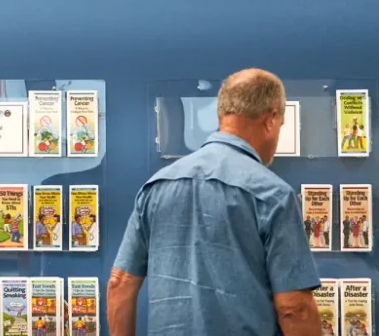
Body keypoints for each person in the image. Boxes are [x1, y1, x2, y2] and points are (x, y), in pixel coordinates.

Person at [108, 69, 320, 336]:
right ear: (271, 119)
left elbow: (120, 283)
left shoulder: (156, 187)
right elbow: (294, 309)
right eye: (280, 126)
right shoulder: (273, 194)